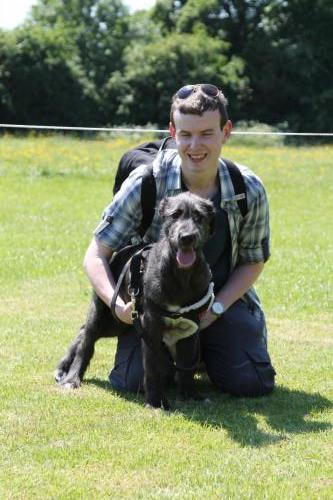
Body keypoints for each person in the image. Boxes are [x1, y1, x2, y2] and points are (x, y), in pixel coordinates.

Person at [84, 83, 276, 397]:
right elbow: (94, 255)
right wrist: (119, 306)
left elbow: (253, 261)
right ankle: (174, 360)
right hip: (153, 308)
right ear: (172, 132)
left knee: (250, 382)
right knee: (135, 383)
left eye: (206, 133)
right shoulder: (146, 181)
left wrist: (215, 309)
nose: (195, 145)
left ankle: (202, 355)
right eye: (186, 134)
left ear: (225, 131)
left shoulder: (247, 188)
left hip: (216, 304)